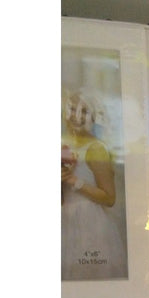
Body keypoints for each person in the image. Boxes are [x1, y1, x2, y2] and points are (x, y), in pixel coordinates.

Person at [61, 89, 127, 281]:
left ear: (93, 117)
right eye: (73, 109)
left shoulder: (96, 148)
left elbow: (109, 198)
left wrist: (75, 181)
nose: (77, 116)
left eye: (84, 111)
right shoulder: (65, 148)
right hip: (66, 220)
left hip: (89, 223)